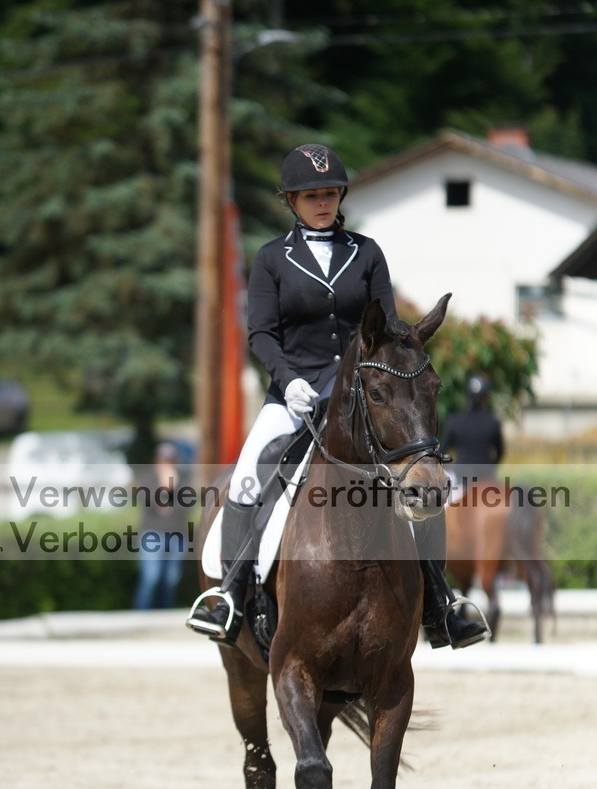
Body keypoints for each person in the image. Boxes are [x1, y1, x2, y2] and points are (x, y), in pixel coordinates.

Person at [187, 143, 488, 649]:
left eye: (329, 193)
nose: (322, 202)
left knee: (422, 480)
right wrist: (289, 381)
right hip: (294, 395)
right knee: (247, 475)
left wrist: (408, 345)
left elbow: (386, 324)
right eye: (311, 196)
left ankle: (440, 604)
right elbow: (260, 334)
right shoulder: (270, 260)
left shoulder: (365, 252)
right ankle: (231, 595)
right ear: (291, 201)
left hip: (358, 400)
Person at [133, 442, 187, 611]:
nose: (167, 464)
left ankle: (163, 614)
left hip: (176, 535)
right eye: (164, 460)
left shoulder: (182, 481)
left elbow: (183, 510)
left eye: (170, 460)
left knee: (171, 579)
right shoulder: (148, 479)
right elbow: (148, 506)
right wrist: (165, 489)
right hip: (152, 535)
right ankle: (140, 614)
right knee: (151, 577)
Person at [440, 373, 505, 489]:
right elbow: (500, 453)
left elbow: (442, 451)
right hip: (486, 476)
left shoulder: (455, 421)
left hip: (460, 476)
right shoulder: (493, 422)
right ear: (486, 397)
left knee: (444, 504)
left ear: (467, 396)